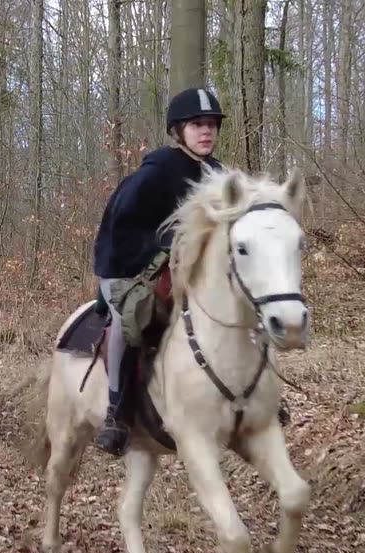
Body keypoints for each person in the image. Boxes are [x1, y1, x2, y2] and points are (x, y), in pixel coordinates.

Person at [92, 87, 227, 455]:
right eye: (197, 124)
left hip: (184, 272)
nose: (207, 132)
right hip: (125, 266)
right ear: (178, 130)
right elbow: (121, 222)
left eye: (212, 124)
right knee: (129, 320)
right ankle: (116, 413)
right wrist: (162, 249)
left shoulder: (216, 172)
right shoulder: (157, 170)